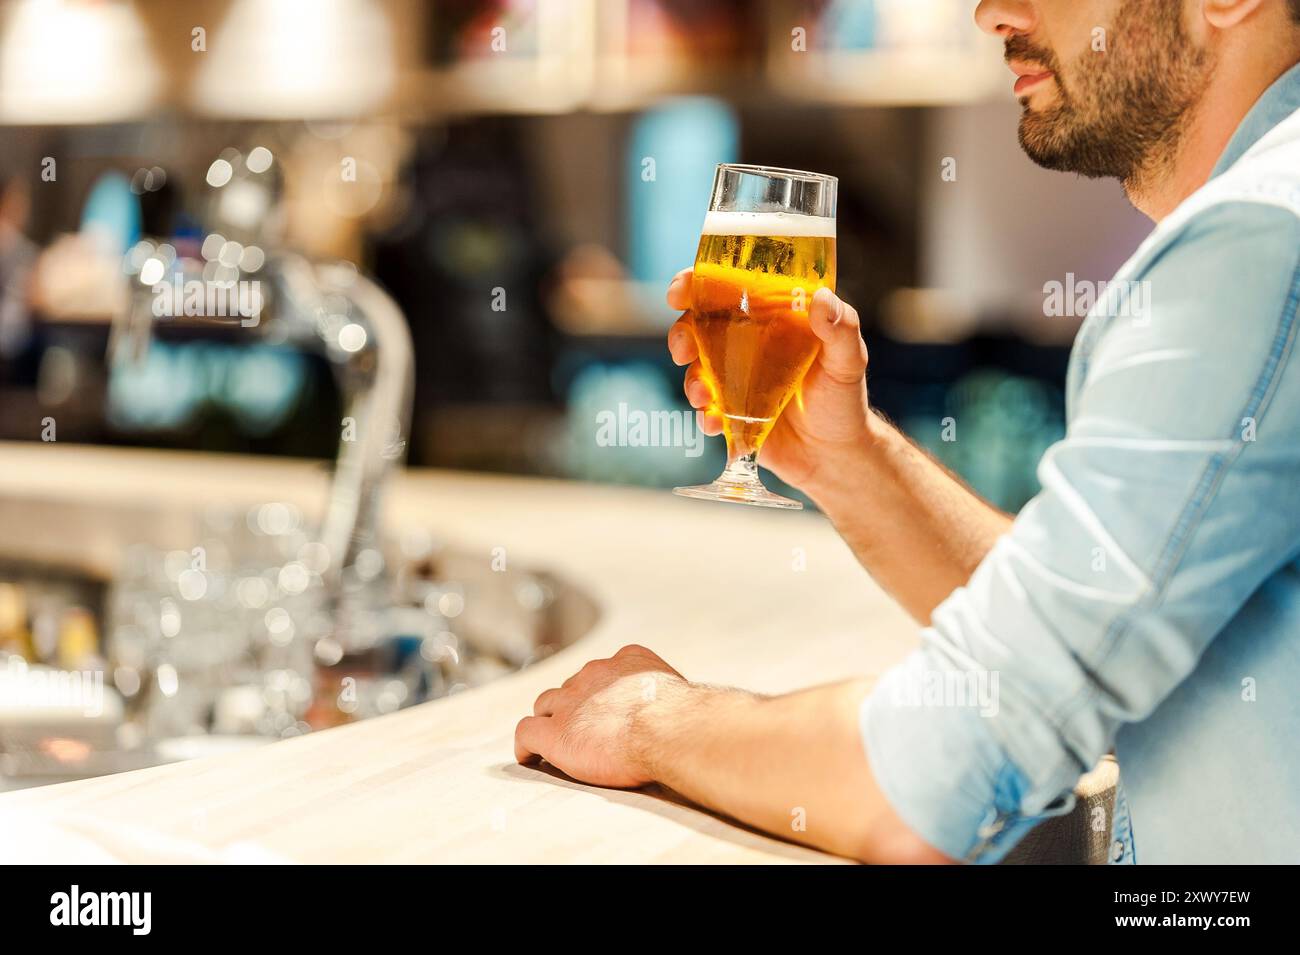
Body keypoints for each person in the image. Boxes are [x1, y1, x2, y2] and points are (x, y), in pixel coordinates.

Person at [514, 0, 1300, 864]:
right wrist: (850, 459)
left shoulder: (1255, 244)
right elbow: (1083, 627)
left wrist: (652, 717)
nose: (992, 12)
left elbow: (927, 778)